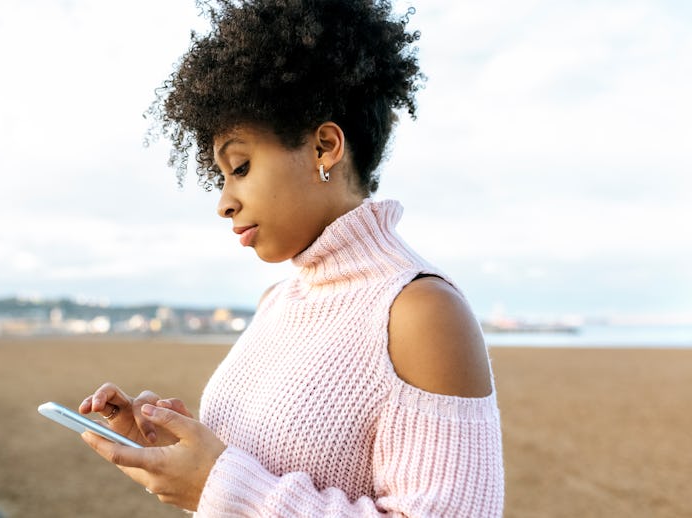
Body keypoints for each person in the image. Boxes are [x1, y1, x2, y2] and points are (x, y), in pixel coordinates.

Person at [78, 1, 505, 516]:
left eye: (240, 166)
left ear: (325, 146)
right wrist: (171, 458)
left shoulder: (419, 311)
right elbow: (237, 491)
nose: (224, 202)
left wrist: (219, 484)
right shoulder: (278, 301)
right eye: (221, 177)